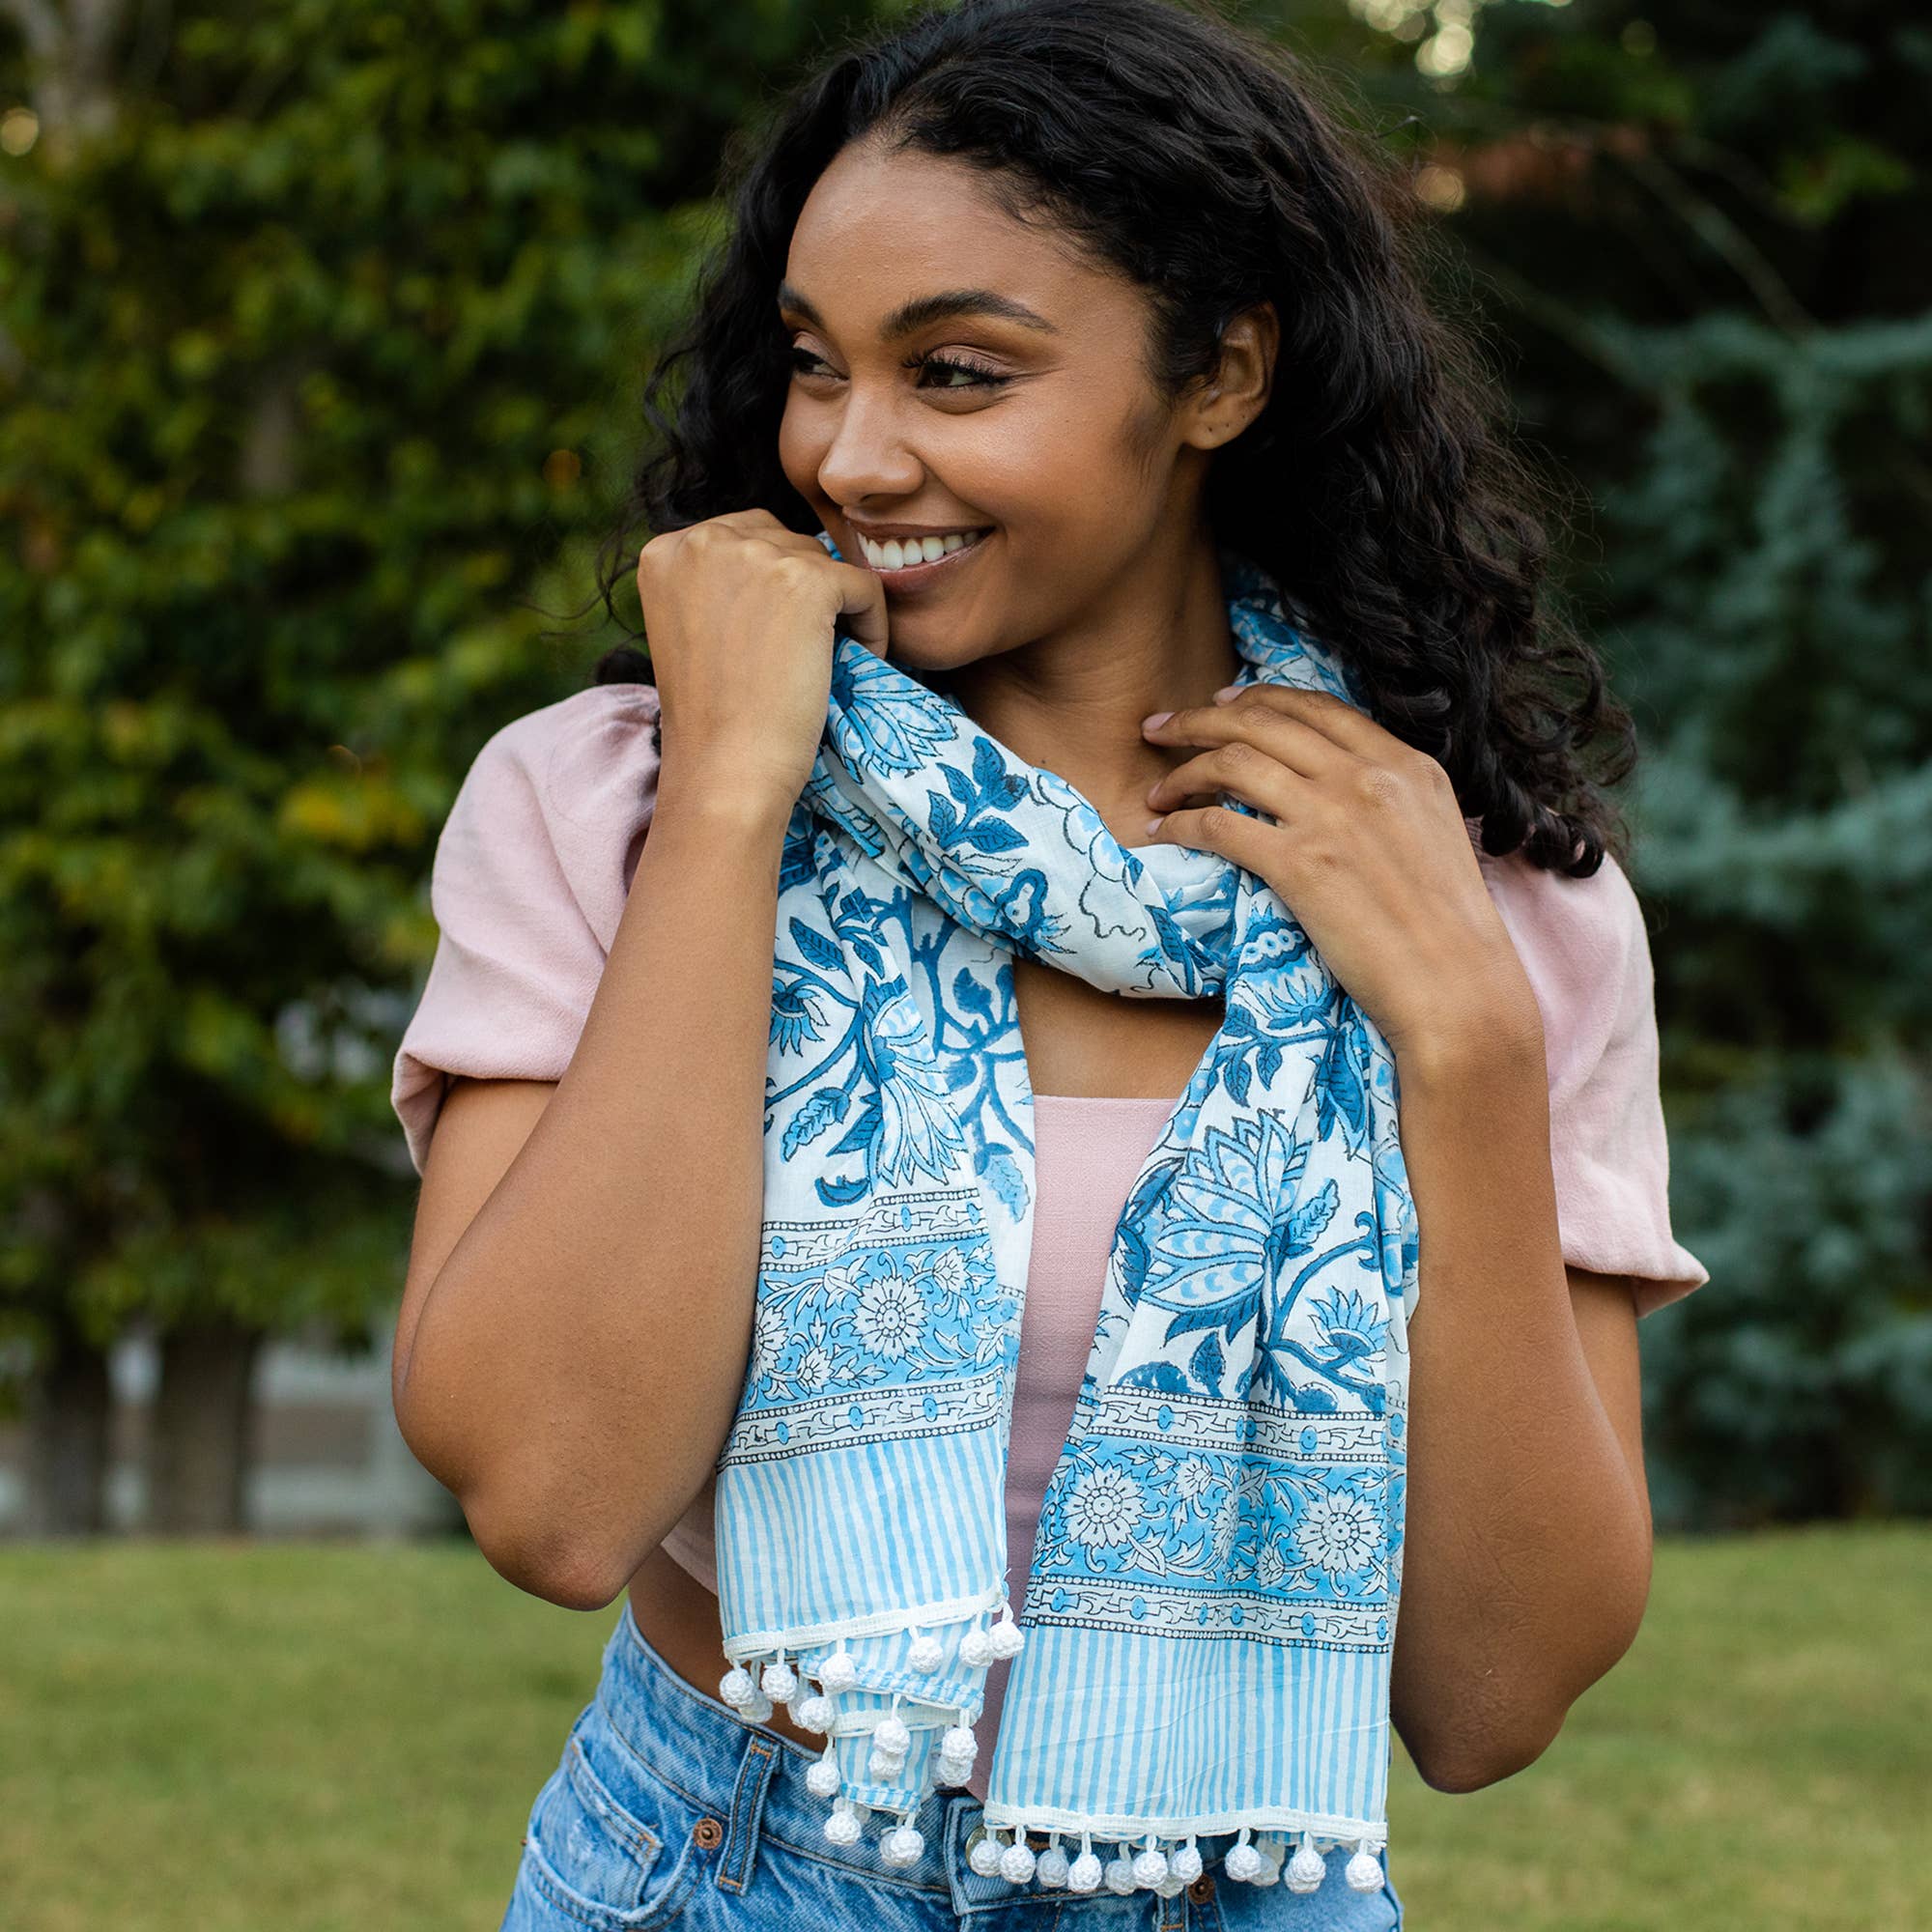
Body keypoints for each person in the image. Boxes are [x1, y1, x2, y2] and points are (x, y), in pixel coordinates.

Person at [387, 0, 1711, 1924]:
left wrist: (1468, 1048)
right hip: (737, 1863)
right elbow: (551, 1496)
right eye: (814, 365)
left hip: (1240, 1879)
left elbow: (1493, 1697)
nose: (850, 455)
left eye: (960, 372)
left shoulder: (1478, 897)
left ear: (1223, 373)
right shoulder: (613, 803)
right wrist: (737, 803)